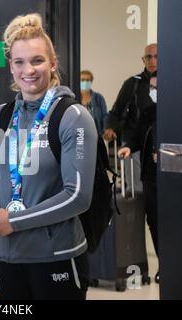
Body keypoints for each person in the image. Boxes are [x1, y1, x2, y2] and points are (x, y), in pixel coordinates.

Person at [0, 14, 97, 300]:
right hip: (8, 259)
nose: (28, 70)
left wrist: (13, 221)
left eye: (37, 60)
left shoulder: (73, 117)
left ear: (53, 63)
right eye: (19, 62)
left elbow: (77, 196)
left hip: (56, 258)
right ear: (11, 67)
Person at [118, 75, 159, 283]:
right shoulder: (148, 112)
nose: (152, 91)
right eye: (151, 87)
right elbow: (137, 136)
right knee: (154, 221)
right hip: (150, 177)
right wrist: (128, 146)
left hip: (171, 179)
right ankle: (164, 264)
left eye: (156, 87)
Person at [104, 43, 157, 190]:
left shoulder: (171, 82)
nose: (152, 60)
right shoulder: (132, 83)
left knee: (159, 192)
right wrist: (110, 127)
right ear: (143, 60)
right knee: (137, 190)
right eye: (148, 57)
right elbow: (117, 110)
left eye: (156, 57)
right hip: (133, 145)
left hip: (158, 146)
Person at [80, 70, 108, 135]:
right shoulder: (74, 97)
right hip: (79, 134)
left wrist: (105, 129)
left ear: (91, 81)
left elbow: (105, 115)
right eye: (82, 80)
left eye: (88, 80)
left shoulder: (99, 98)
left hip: (96, 133)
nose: (85, 82)